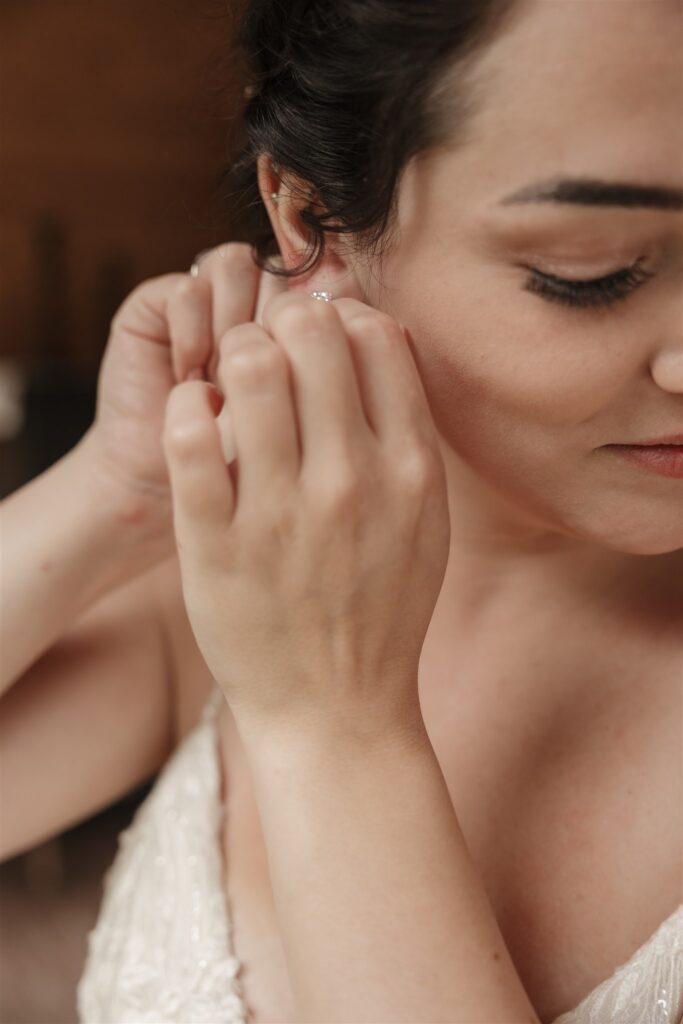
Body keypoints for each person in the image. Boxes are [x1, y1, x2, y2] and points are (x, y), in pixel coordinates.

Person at [1, 0, 681, 1021]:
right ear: (309, 215)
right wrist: (119, 494)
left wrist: (336, 725)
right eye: (590, 274)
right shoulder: (265, 570)